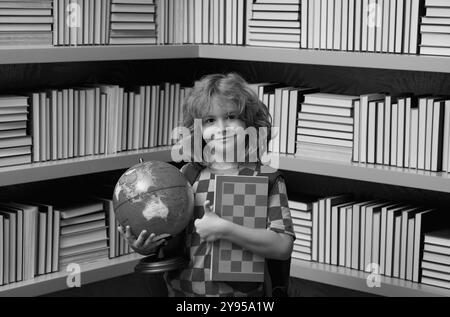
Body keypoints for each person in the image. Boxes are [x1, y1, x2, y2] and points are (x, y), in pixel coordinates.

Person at [119, 73, 295, 297]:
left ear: (249, 122)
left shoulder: (267, 179)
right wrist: (146, 246)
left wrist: (226, 230)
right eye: (210, 120)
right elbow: (168, 235)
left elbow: (282, 246)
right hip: (182, 293)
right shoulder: (187, 176)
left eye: (231, 116)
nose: (221, 128)